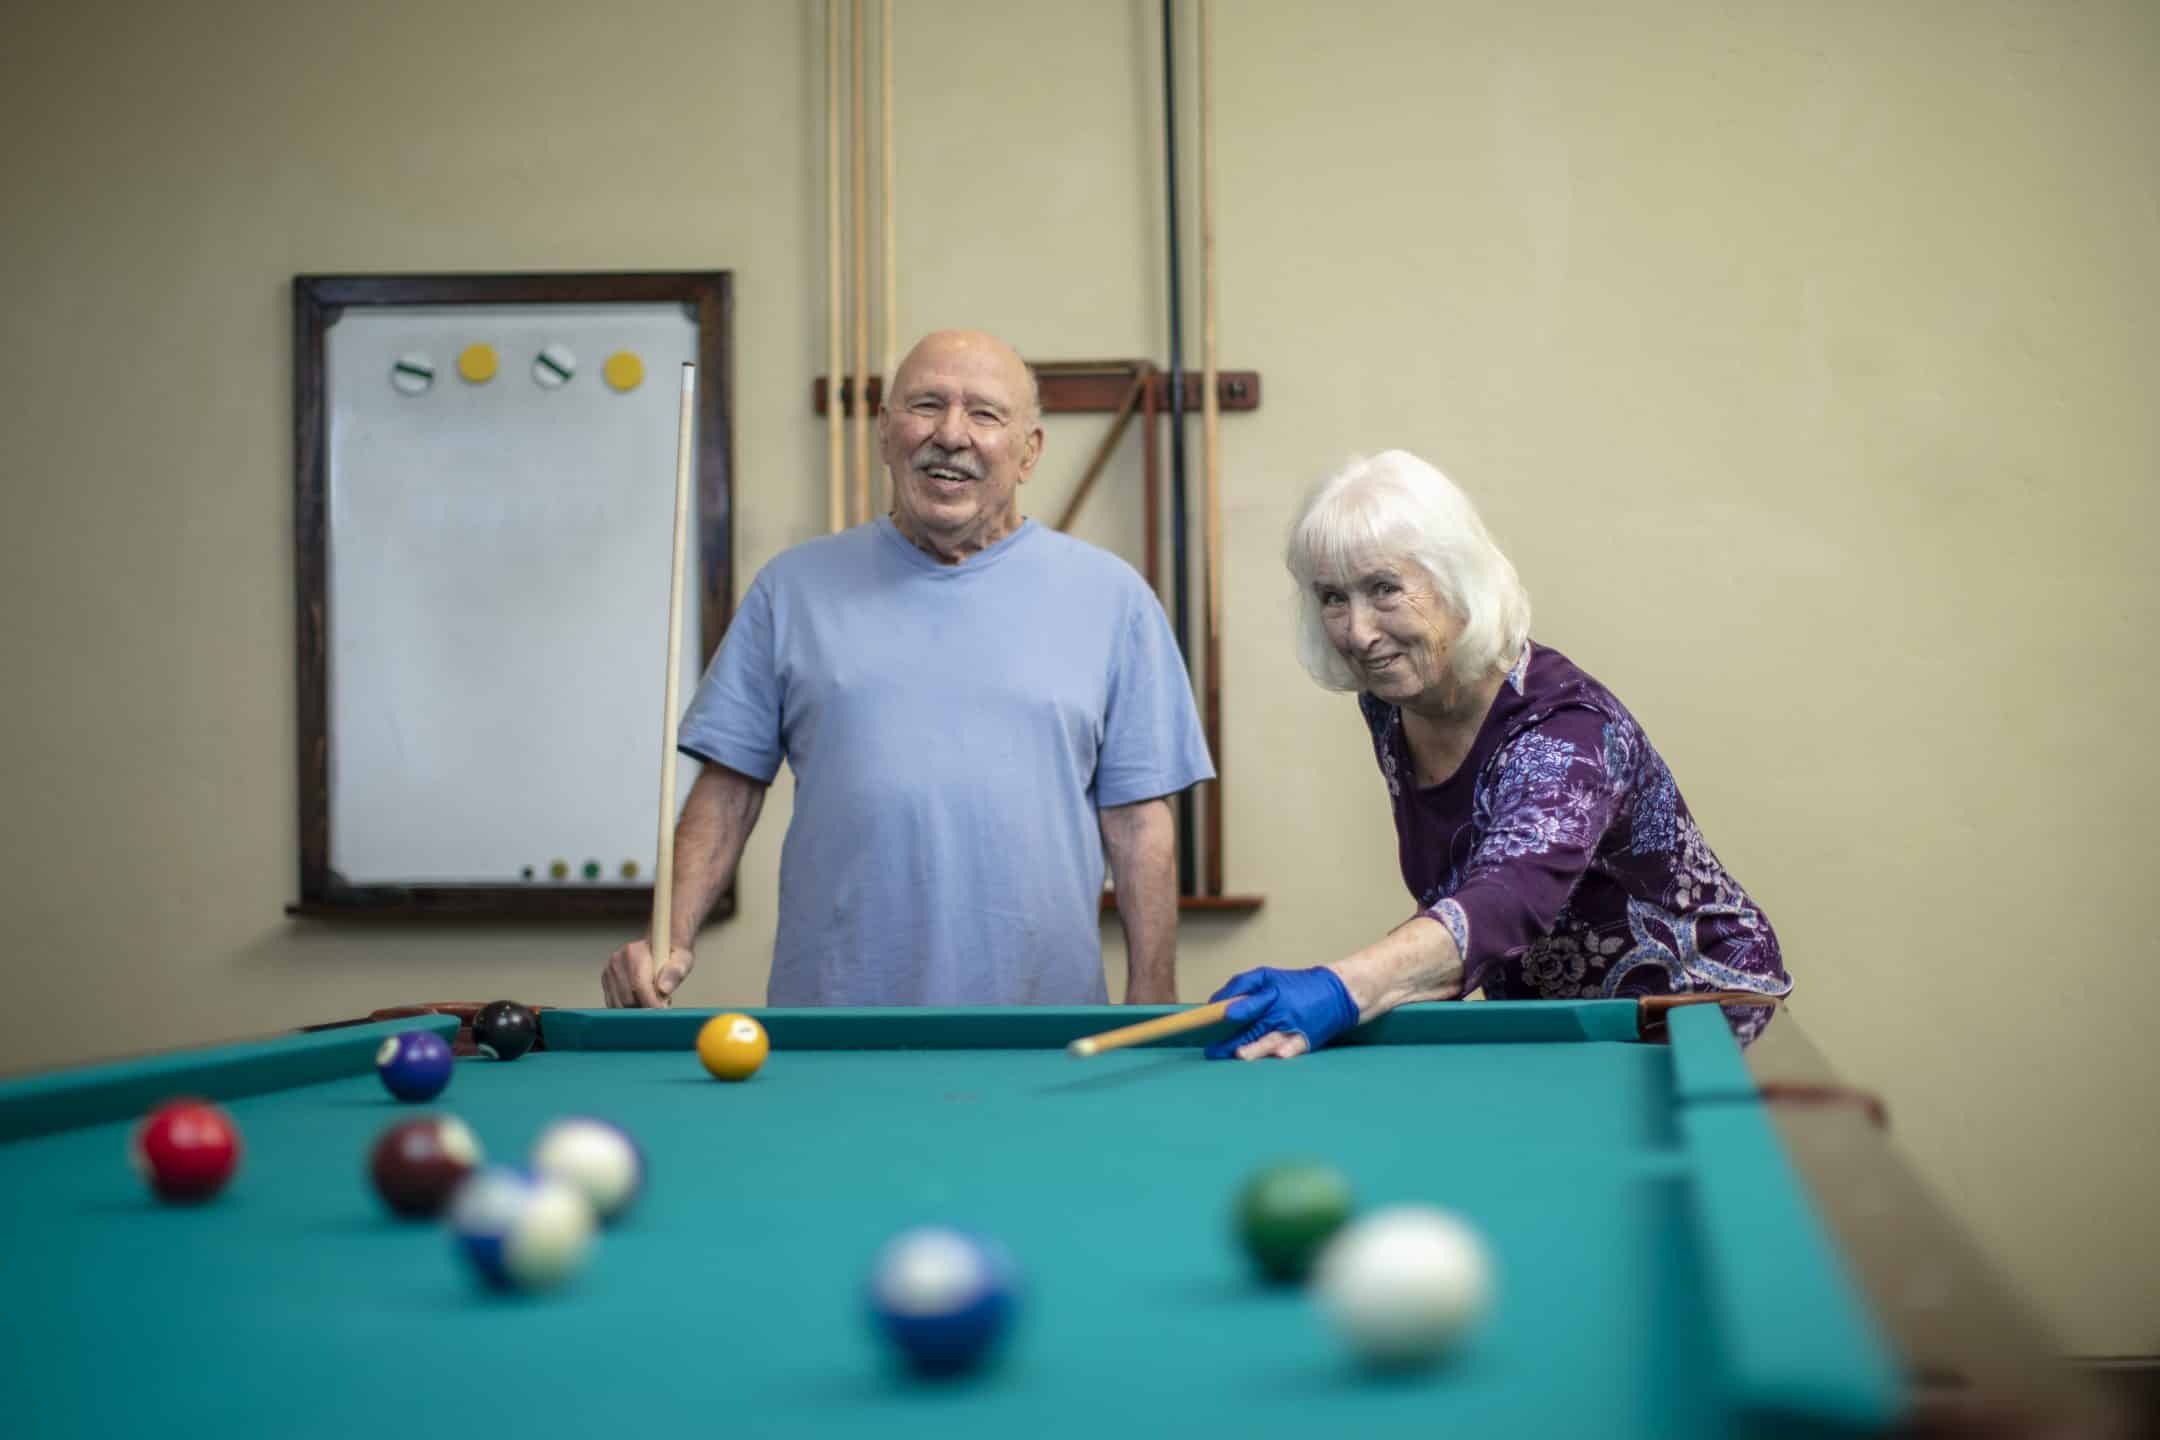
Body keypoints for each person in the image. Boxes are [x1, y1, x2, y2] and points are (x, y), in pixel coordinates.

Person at [602, 329, 1213, 1009]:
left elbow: (1138, 823)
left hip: (1045, 1025)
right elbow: (729, 790)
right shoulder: (791, 588)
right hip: (833, 1023)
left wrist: (1154, 991)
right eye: (925, 405)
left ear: (1028, 452)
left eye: (984, 414)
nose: (951, 434)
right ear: (885, 433)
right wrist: (670, 937)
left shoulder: (1114, 599)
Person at [1210, 450, 1790, 1059]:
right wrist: (1369, 987)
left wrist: (1341, 987)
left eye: (1384, 588)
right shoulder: (1391, 701)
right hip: (1561, 1022)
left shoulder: (1569, 733)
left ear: (1456, 579)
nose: (1358, 632)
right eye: (1333, 597)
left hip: (1693, 1017)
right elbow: (1459, 886)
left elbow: (1505, 901)